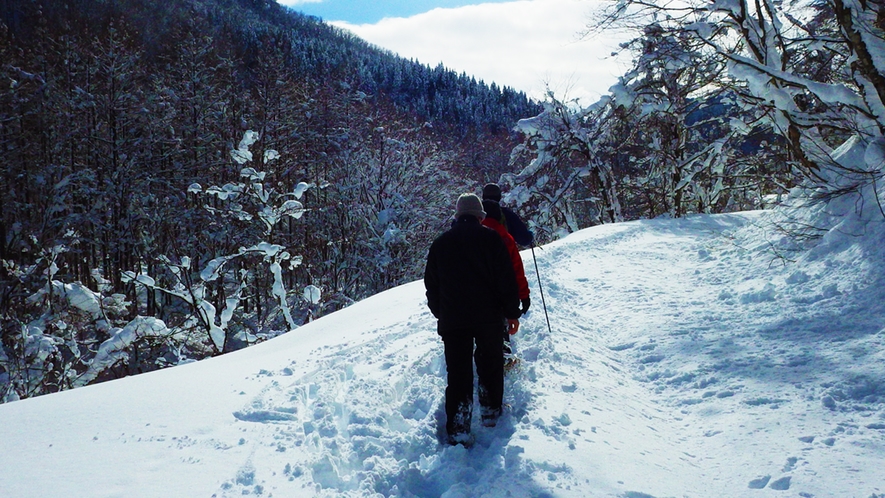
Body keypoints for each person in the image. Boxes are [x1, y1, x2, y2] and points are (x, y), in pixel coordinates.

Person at [424, 193, 522, 445]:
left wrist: (441, 312)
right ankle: (490, 412)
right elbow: (505, 280)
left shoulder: (441, 243)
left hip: (453, 319)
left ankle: (458, 427)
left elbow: (431, 286)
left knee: (458, 373)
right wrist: (512, 312)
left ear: (457, 216)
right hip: (489, 316)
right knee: (490, 363)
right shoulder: (492, 240)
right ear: (480, 217)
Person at [481, 199, 530, 362]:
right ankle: (502, 351)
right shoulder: (505, 237)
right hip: (501, 291)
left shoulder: (467, 232)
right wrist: (523, 295)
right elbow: (517, 270)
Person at [482, 183, 534, 248]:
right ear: (499, 197)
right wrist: (530, 235)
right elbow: (524, 240)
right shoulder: (507, 214)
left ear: (483, 196)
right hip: (503, 256)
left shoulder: (474, 215)